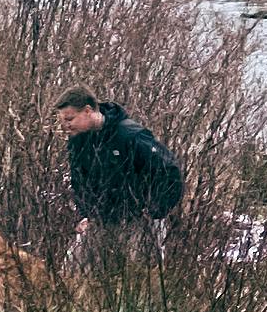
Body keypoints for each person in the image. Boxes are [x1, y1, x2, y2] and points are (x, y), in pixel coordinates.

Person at [55, 90, 186, 233]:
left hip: (138, 227)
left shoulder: (129, 135)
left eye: (69, 119)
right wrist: (86, 214)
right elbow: (79, 181)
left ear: (87, 110)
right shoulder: (78, 140)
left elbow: (170, 172)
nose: (66, 126)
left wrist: (152, 212)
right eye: (63, 121)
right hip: (98, 224)